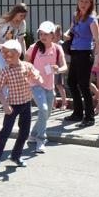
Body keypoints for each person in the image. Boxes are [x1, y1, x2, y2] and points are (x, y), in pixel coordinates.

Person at [0, 40, 42, 171]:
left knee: (24, 132)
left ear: (18, 53)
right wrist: (5, 104)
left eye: (8, 52)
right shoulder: (5, 71)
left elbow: (36, 74)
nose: (5, 55)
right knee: (5, 133)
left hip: (26, 103)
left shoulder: (26, 66)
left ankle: (16, 155)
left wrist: (37, 76)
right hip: (12, 105)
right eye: (4, 53)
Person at [26, 21, 68, 153]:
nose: (42, 36)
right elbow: (25, 64)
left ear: (53, 35)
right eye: (41, 33)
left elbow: (65, 67)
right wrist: (30, 73)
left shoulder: (57, 48)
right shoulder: (33, 48)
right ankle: (41, 139)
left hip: (49, 86)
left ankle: (33, 134)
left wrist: (58, 69)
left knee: (47, 113)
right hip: (35, 84)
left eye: (46, 34)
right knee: (43, 109)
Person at [63, 0, 99, 127]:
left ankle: (90, 117)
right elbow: (71, 30)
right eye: (81, 1)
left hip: (85, 54)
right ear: (78, 2)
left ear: (91, 3)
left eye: (87, 2)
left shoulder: (92, 19)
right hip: (75, 53)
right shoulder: (76, 16)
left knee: (84, 85)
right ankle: (78, 113)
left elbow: (97, 39)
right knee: (71, 82)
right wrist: (66, 34)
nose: (84, 4)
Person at [0, 3, 28, 71]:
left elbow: (21, 39)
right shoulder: (4, 20)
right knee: (5, 70)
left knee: (14, 71)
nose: (22, 18)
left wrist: (25, 54)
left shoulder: (22, 23)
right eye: (21, 15)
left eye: (24, 16)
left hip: (12, 50)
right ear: (15, 13)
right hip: (1, 49)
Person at [53, 25, 69, 110]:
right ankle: (54, 102)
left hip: (59, 67)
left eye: (54, 34)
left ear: (58, 35)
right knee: (51, 86)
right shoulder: (50, 44)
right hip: (51, 67)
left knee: (59, 85)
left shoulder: (61, 44)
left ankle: (64, 103)